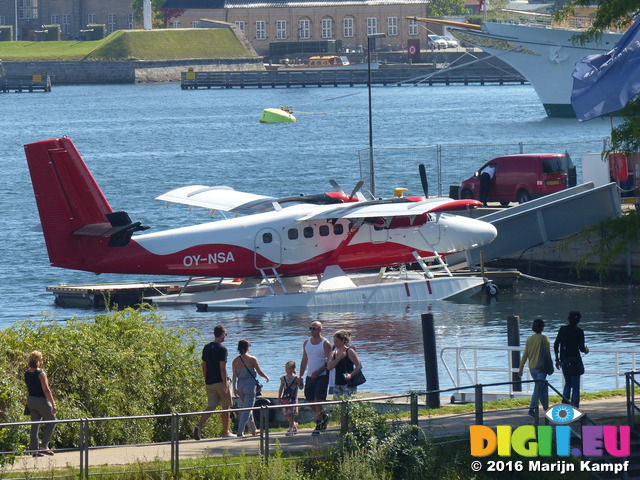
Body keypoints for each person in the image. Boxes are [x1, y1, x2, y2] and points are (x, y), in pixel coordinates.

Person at [195, 325, 233, 440]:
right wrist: (225, 386)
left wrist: (205, 379)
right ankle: (226, 432)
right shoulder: (222, 349)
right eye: (225, 334)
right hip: (220, 382)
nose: (225, 336)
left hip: (209, 382)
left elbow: (204, 366)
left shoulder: (206, 347)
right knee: (225, 406)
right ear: (221, 334)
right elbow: (223, 368)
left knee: (211, 406)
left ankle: (198, 426)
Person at [298, 321, 332, 436]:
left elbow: (329, 361)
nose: (312, 331)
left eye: (314, 328)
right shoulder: (306, 343)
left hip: (321, 376)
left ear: (320, 330)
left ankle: (318, 425)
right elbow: (304, 360)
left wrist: (319, 371)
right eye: (310, 328)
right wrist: (300, 376)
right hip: (309, 376)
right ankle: (323, 416)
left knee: (318, 400)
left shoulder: (325, 343)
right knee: (309, 400)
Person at [231, 339, 269, 437]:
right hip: (249, 384)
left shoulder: (235, 361)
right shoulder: (252, 359)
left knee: (247, 407)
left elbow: (234, 376)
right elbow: (259, 372)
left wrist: (234, 388)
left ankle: (253, 430)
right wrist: (266, 377)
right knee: (247, 409)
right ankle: (240, 431)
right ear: (247, 347)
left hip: (240, 385)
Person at [24, 351, 57, 457]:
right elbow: (46, 390)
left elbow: (28, 388)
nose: (42, 360)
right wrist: (53, 404)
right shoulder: (41, 373)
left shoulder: (27, 373)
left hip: (31, 400)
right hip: (41, 400)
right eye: (41, 359)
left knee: (35, 424)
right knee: (52, 421)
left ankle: (34, 450)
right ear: (38, 360)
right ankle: (44, 446)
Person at [554, 311, 589, 408]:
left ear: (569, 319)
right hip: (575, 360)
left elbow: (556, 344)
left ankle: (565, 405)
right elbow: (581, 348)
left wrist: (557, 359)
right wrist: (586, 350)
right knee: (576, 386)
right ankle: (575, 406)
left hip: (564, 360)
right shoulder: (579, 331)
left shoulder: (562, 330)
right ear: (578, 320)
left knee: (567, 383)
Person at [518, 318, 552, 417]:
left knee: (541, 388)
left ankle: (546, 408)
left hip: (532, 367)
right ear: (542, 328)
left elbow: (525, 355)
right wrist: (550, 366)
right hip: (541, 367)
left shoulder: (529, 339)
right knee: (538, 388)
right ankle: (532, 408)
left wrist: (521, 368)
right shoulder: (544, 339)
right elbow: (547, 354)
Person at [326, 330, 363, 398]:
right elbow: (329, 367)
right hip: (337, 383)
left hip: (348, 383)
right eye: (334, 341)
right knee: (337, 405)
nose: (335, 343)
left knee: (348, 404)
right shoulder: (333, 353)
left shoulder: (349, 351)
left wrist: (351, 375)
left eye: (337, 341)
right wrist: (339, 358)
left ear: (344, 341)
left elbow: (359, 366)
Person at [278, 361, 299, 436]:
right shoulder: (283, 378)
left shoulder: (296, 378)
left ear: (293, 369)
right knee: (287, 414)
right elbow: (281, 388)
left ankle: (290, 429)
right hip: (285, 398)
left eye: (289, 368)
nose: (287, 370)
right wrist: (279, 398)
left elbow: (300, 386)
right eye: (286, 368)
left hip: (292, 398)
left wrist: (300, 381)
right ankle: (294, 425)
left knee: (291, 414)